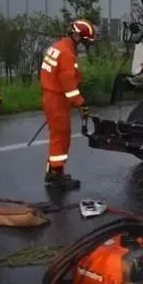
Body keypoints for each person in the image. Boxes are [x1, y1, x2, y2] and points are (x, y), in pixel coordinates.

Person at [39, 19, 95, 189]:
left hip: (51, 96)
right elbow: (68, 86)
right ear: (77, 36)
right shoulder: (66, 54)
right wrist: (81, 103)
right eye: (85, 41)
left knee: (58, 135)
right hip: (57, 99)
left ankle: (54, 170)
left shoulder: (57, 47)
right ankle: (56, 173)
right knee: (60, 137)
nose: (85, 45)